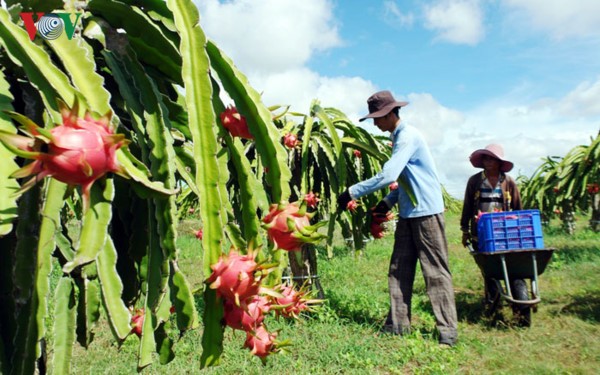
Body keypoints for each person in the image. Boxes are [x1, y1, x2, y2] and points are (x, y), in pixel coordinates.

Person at [337, 90, 458, 346]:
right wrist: (386, 202)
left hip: (426, 213)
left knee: (435, 272)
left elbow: (390, 175)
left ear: (392, 113)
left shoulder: (408, 136)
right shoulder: (398, 139)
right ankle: (397, 325)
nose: (376, 123)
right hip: (408, 213)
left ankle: (448, 331)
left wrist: (351, 192)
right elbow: (405, 182)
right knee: (399, 269)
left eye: (378, 117)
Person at [460, 144, 529, 324]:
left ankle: (518, 306)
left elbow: (518, 207)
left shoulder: (508, 182)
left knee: (513, 268)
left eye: (491, 158)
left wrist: (519, 228)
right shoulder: (475, 181)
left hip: (505, 233)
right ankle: (493, 305)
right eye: (485, 158)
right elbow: (467, 206)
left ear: (499, 162)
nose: (488, 162)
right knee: (490, 271)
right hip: (482, 234)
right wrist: (465, 230)